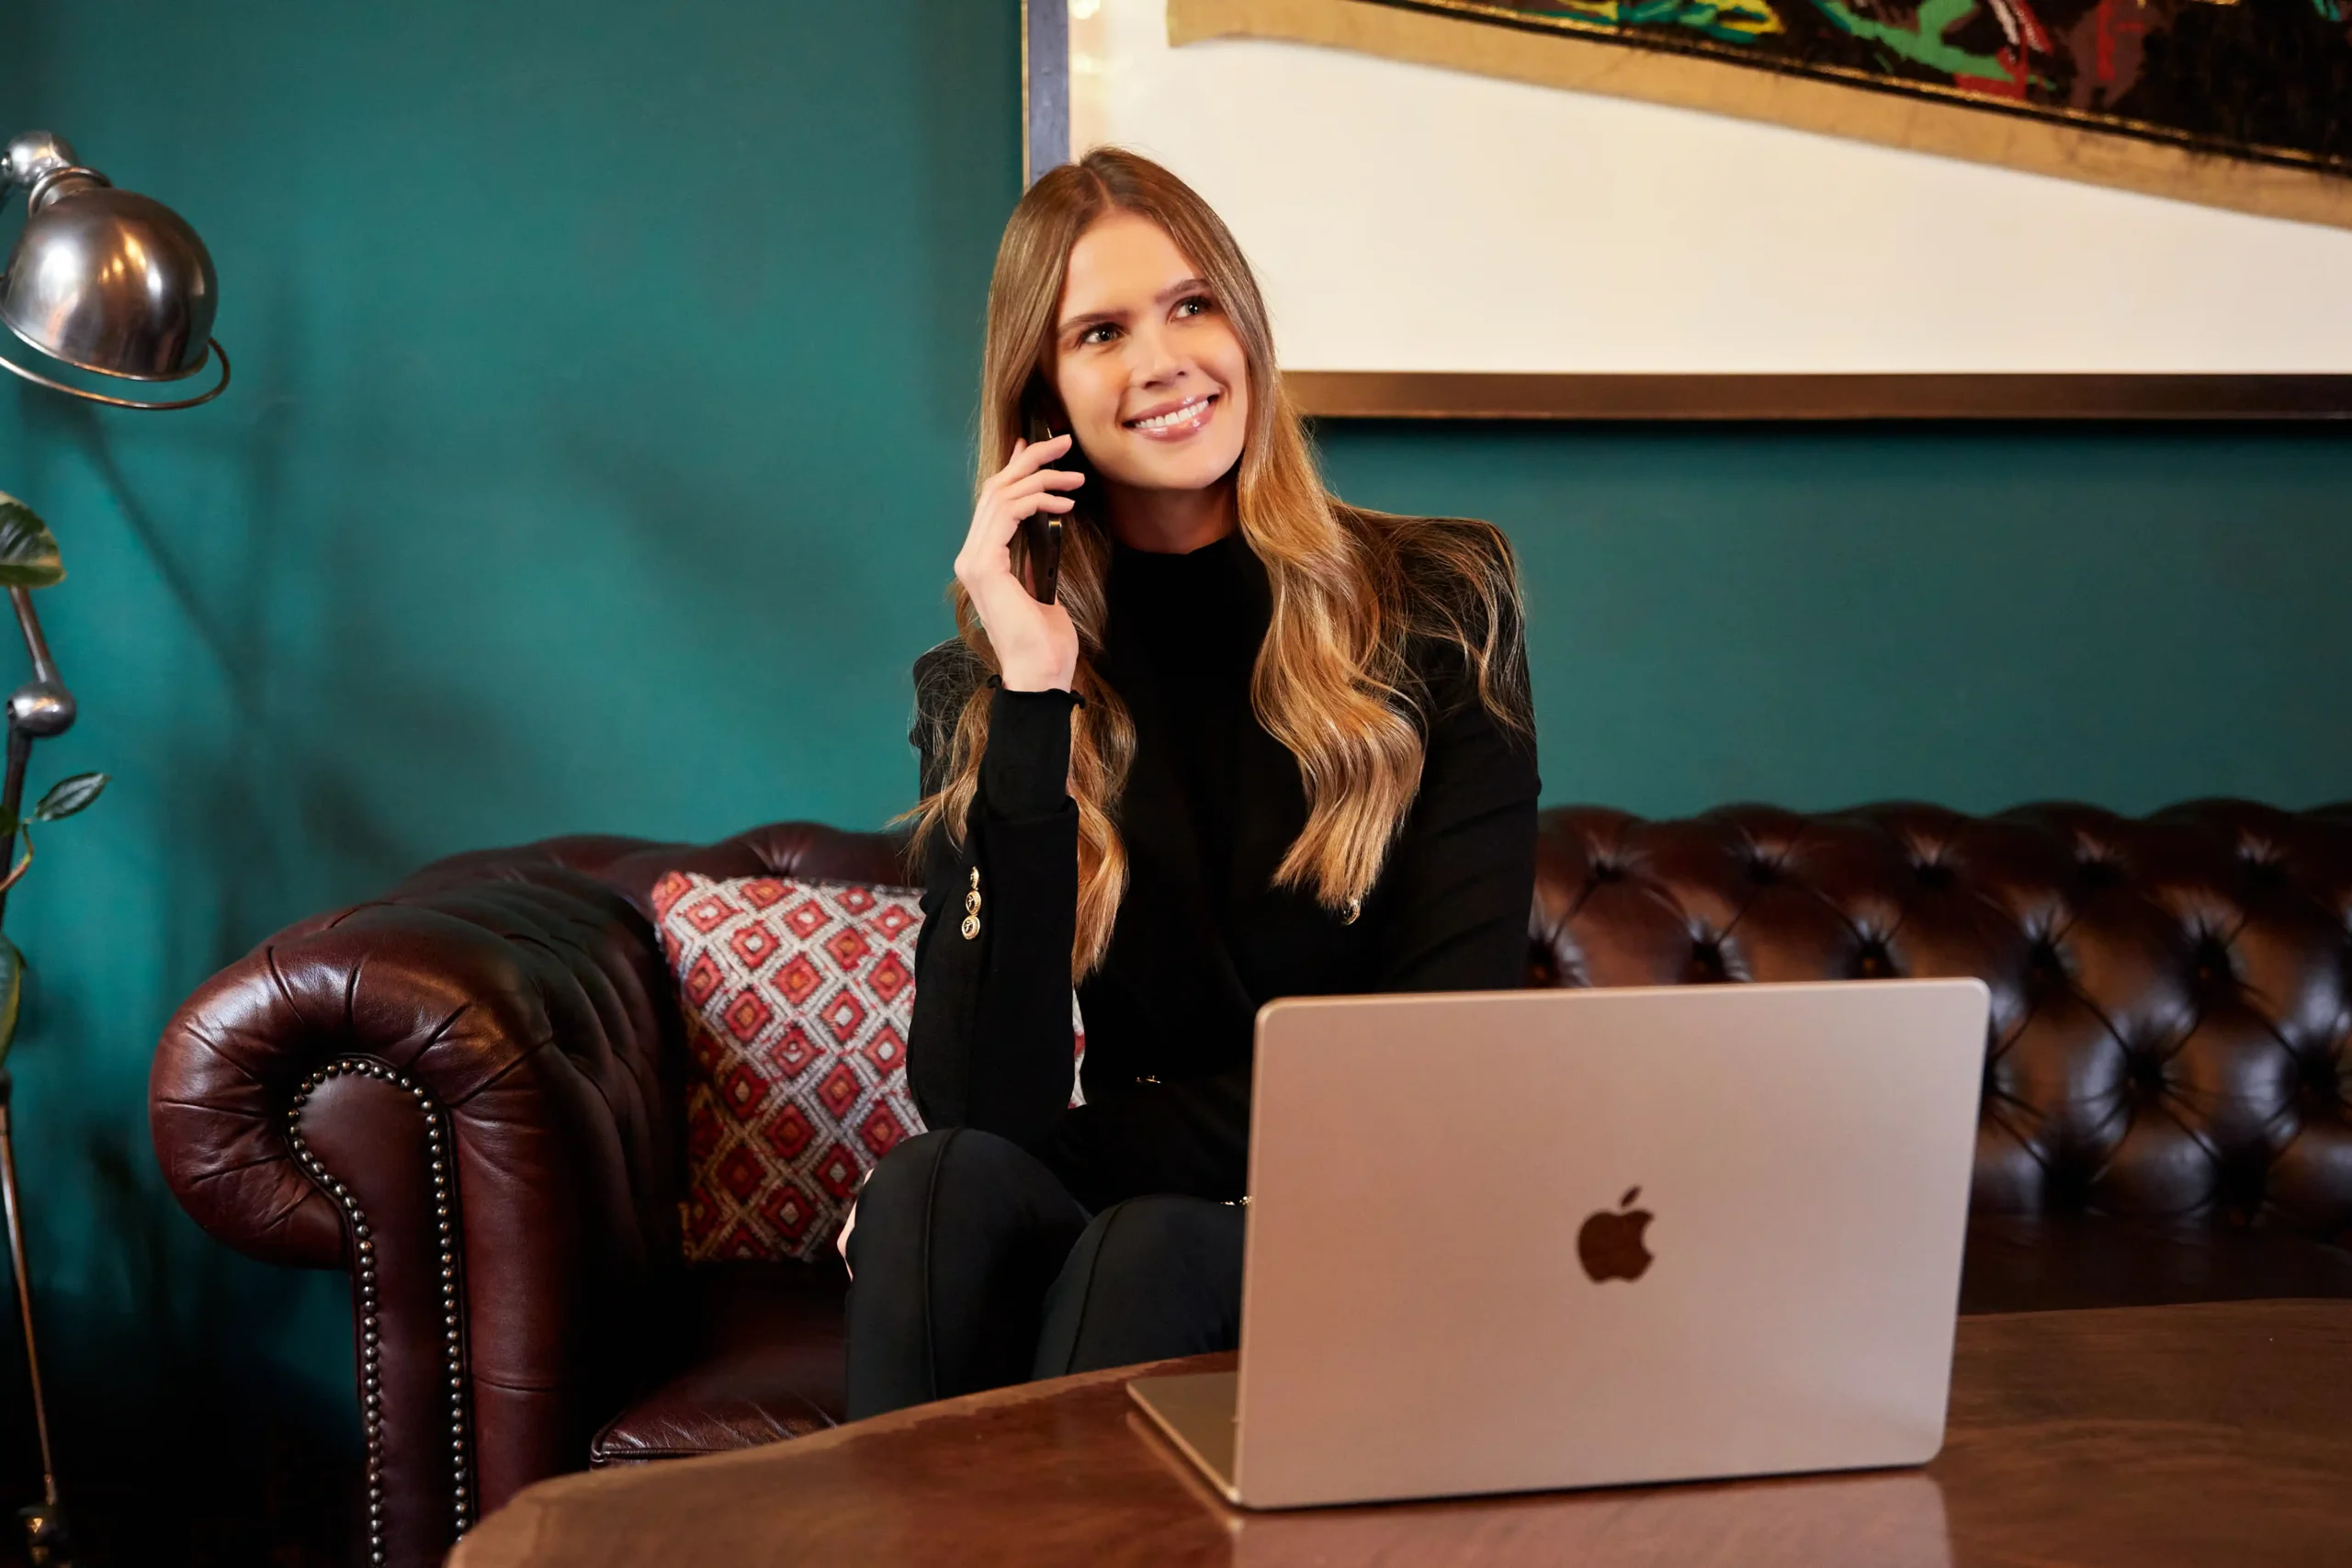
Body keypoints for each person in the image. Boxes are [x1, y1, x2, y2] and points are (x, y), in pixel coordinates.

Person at [841, 148, 1539, 1419]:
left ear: (1246, 328)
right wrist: (1034, 694)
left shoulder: (1437, 603)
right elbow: (980, 1108)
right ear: (1041, 395)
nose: (1163, 359)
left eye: (1192, 305)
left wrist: (1094, 1150)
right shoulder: (988, 682)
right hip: (1133, 1204)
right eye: (1101, 331)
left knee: (1146, 1241)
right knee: (931, 1188)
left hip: (1363, 1195)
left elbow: (1431, 1052)